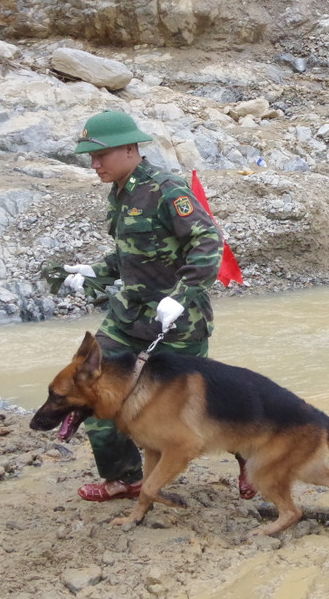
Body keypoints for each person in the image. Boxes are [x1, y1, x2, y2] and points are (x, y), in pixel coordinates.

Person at [59, 109, 227, 501]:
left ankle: (248, 459)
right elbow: (129, 254)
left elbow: (208, 245)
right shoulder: (119, 192)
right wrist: (94, 271)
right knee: (87, 385)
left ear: (131, 148)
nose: (94, 164)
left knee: (195, 404)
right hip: (127, 316)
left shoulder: (167, 189)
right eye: (90, 157)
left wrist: (180, 298)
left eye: (101, 155)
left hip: (177, 322)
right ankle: (125, 477)